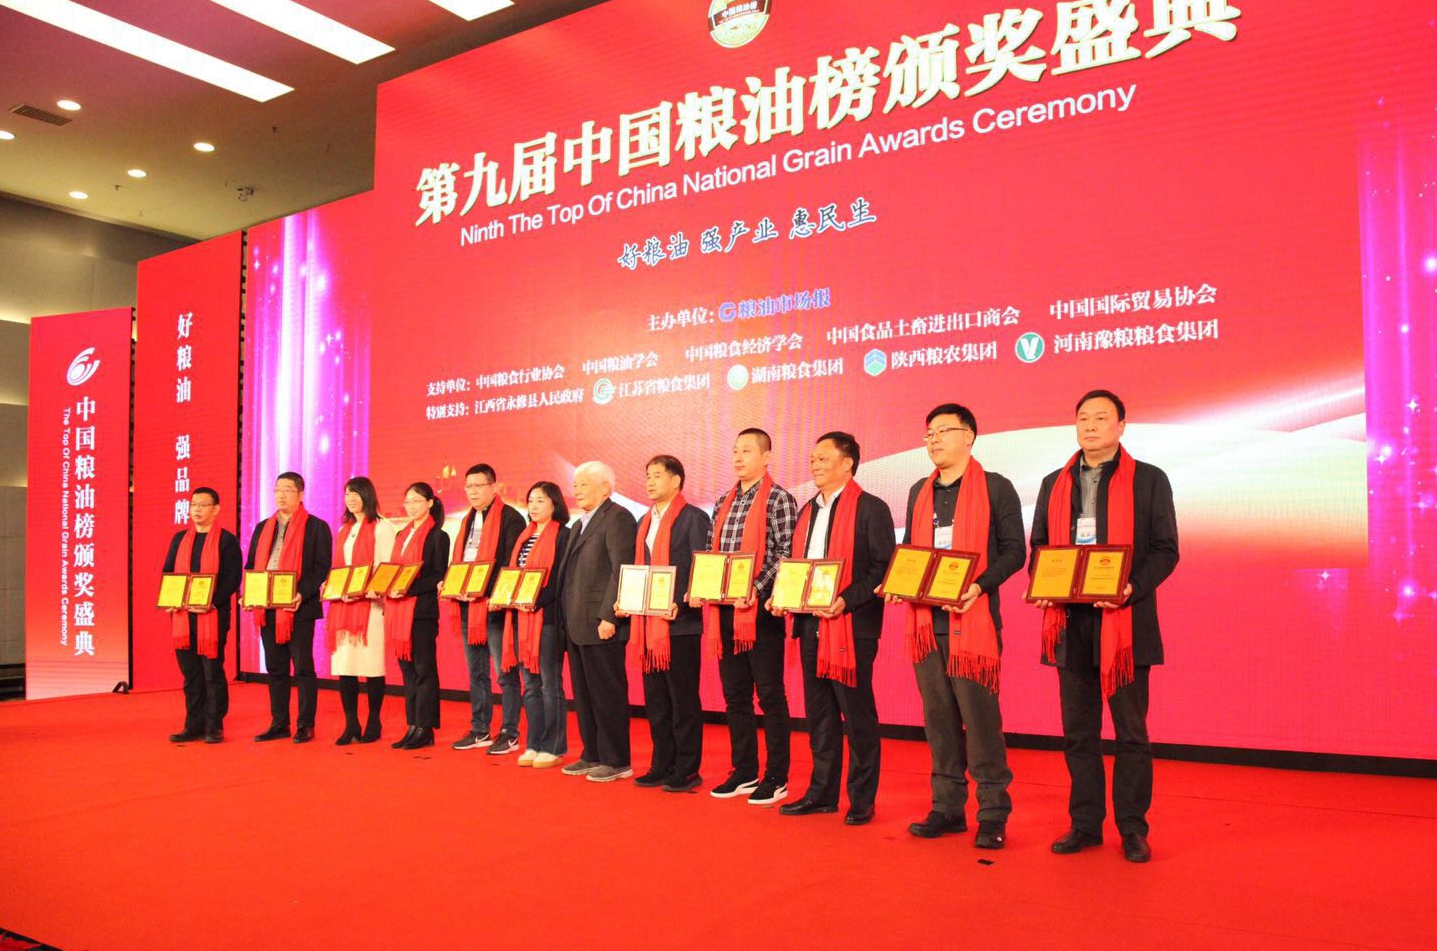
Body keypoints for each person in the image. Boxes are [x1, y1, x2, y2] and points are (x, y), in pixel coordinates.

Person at [1030, 390, 1179, 863]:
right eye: (1083, 418)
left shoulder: (1149, 479)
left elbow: (1166, 550)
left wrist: (1131, 588)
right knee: (1079, 733)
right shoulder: (1054, 482)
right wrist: (1041, 582)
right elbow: (1040, 545)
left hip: (1125, 624)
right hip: (1071, 624)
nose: (1090, 426)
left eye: (1100, 418)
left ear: (1121, 426)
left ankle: (1132, 828)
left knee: (1131, 733)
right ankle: (1085, 824)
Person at [888, 404, 1025, 848]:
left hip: (973, 622)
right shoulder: (919, 490)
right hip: (927, 625)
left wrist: (980, 585)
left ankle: (992, 813)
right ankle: (947, 808)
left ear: (969, 436)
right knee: (939, 722)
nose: (933, 439)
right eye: (928, 433)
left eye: (943, 431)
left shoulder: (996, 487)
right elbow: (912, 551)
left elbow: (1014, 552)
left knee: (981, 723)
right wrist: (898, 583)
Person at [774, 432, 893, 826]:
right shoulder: (808, 510)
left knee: (857, 717)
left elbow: (882, 568)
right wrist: (782, 596)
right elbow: (797, 567)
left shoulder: (871, 508)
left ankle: (862, 798)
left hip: (851, 626)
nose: (815, 464)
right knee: (820, 715)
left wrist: (846, 599)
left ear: (848, 464)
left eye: (824, 458)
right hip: (810, 624)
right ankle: (821, 793)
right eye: (813, 458)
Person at [698, 428, 797, 806]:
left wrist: (755, 587)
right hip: (724, 611)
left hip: (760, 612)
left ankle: (776, 776)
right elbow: (710, 552)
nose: (739, 458)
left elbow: (786, 552)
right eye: (735, 451)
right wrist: (702, 585)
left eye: (747, 451)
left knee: (770, 695)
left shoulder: (779, 499)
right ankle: (744, 770)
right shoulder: (722, 501)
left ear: (766, 457)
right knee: (735, 696)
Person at [618, 455, 711, 793]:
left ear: (676, 481)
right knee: (656, 701)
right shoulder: (644, 520)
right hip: (648, 625)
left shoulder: (694, 518)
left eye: (657, 475)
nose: (650, 481)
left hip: (680, 624)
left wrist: (682, 602)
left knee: (682, 700)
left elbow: (701, 567)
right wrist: (625, 599)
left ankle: (687, 768)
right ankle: (662, 764)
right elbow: (638, 570)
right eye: (648, 475)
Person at [556, 461, 638, 782]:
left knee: (607, 694)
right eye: (575, 484)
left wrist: (609, 616)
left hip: (601, 623)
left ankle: (617, 760)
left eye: (584, 484)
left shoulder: (617, 517)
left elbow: (621, 569)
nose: (576, 490)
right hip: (577, 623)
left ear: (605, 488)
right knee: (585, 695)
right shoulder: (579, 523)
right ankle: (592, 753)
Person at [245, 471, 332, 743]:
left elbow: (321, 567)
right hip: (267, 607)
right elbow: (251, 565)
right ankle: (279, 723)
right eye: (277, 490)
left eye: (287, 490)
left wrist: (300, 593)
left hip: (299, 608)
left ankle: (305, 724)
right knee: (275, 668)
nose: (281, 495)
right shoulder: (263, 527)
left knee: (303, 667)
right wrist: (248, 593)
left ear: (301, 494)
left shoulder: (316, 527)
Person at [446, 464, 526, 754]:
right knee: (476, 672)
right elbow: (462, 560)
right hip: (467, 605)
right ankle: (480, 729)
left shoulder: (510, 518)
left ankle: (509, 731)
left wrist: (484, 589)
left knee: (505, 673)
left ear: (494, 487)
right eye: (468, 486)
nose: (473, 492)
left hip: (494, 607)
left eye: (478, 486)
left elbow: (510, 564)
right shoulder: (467, 520)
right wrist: (452, 582)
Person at [161, 487, 242, 743]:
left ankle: (214, 725)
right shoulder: (180, 539)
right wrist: (171, 599)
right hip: (183, 617)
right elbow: (169, 573)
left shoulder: (226, 540)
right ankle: (192, 725)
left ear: (216, 509)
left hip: (213, 616)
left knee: (212, 672)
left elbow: (232, 579)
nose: (196, 509)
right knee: (191, 674)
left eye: (203, 505)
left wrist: (212, 603)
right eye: (193, 504)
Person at [499, 481, 571, 768]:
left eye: (541, 500)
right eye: (530, 500)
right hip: (521, 618)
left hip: (547, 619)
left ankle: (553, 747)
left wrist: (536, 601)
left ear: (555, 504)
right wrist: (504, 597)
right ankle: (534, 743)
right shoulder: (524, 536)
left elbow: (560, 581)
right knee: (530, 684)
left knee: (549, 685)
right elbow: (513, 576)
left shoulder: (563, 535)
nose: (534, 506)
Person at [327, 476, 395, 745]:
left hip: (370, 606)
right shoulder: (344, 529)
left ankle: (374, 720)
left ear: (368, 495)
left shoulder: (382, 527)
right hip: (343, 607)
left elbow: (386, 566)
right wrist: (332, 586)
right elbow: (338, 568)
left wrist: (367, 588)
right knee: (346, 666)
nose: (351, 499)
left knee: (372, 665)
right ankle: (351, 723)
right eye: (347, 494)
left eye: (355, 493)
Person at [386, 482, 450, 750]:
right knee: (408, 671)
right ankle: (412, 724)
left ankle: (425, 727)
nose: (411, 506)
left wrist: (408, 588)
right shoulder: (402, 534)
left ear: (430, 503)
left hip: (421, 613)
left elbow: (438, 575)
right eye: (408, 502)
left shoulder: (438, 536)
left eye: (417, 501)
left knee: (424, 670)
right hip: (399, 611)